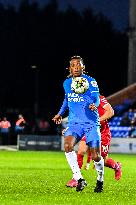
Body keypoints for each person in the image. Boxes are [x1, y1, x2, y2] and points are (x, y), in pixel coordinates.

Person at [52, 55, 104, 192]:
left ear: (83, 67)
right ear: (70, 68)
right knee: (68, 145)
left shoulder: (91, 81)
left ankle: (100, 179)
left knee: (95, 156)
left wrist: (94, 104)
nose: (76, 67)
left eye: (78, 64)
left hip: (91, 122)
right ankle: (79, 178)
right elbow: (66, 100)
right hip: (75, 123)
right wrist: (60, 113)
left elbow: (96, 98)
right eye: (73, 65)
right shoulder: (67, 83)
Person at [66, 95, 122, 187]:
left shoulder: (99, 98)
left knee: (101, 160)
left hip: (103, 133)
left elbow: (110, 112)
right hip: (89, 131)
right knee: (80, 151)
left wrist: (97, 121)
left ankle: (116, 166)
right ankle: (76, 178)